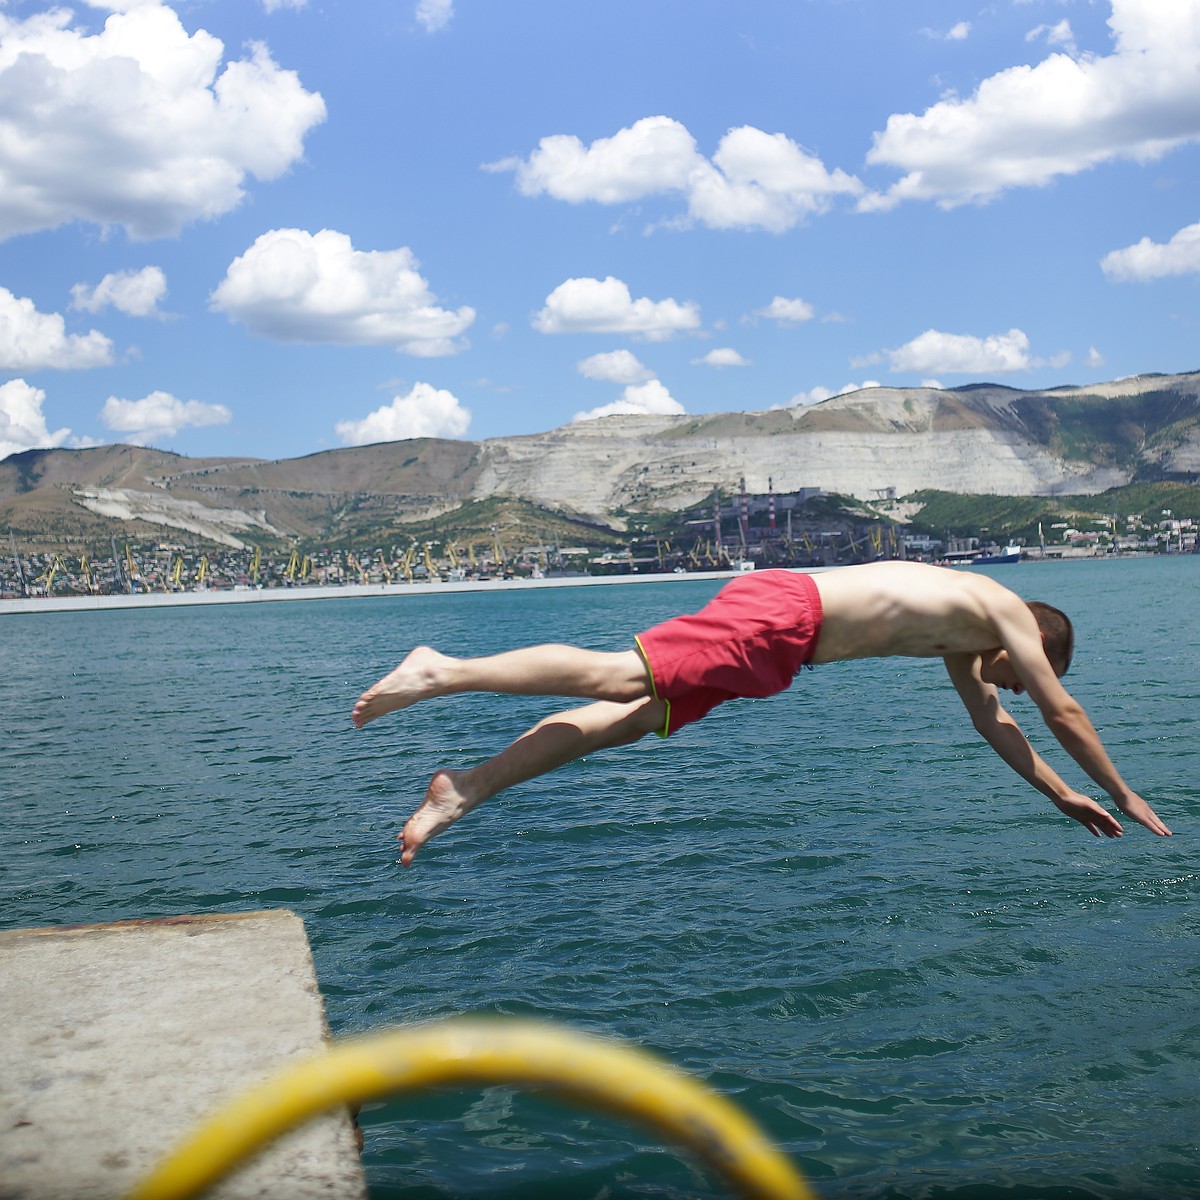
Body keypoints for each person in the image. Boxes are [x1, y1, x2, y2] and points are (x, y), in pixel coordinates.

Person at [351, 561, 1171, 866]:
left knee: (637, 717)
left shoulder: (966, 639)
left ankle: (465, 790)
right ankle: (442, 669)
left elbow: (1000, 723)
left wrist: (1057, 793)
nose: (1023, 683)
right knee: (618, 679)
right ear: (1040, 635)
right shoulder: (1007, 613)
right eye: (1030, 672)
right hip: (787, 616)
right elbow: (1059, 711)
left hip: (785, 647)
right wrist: (1122, 790)